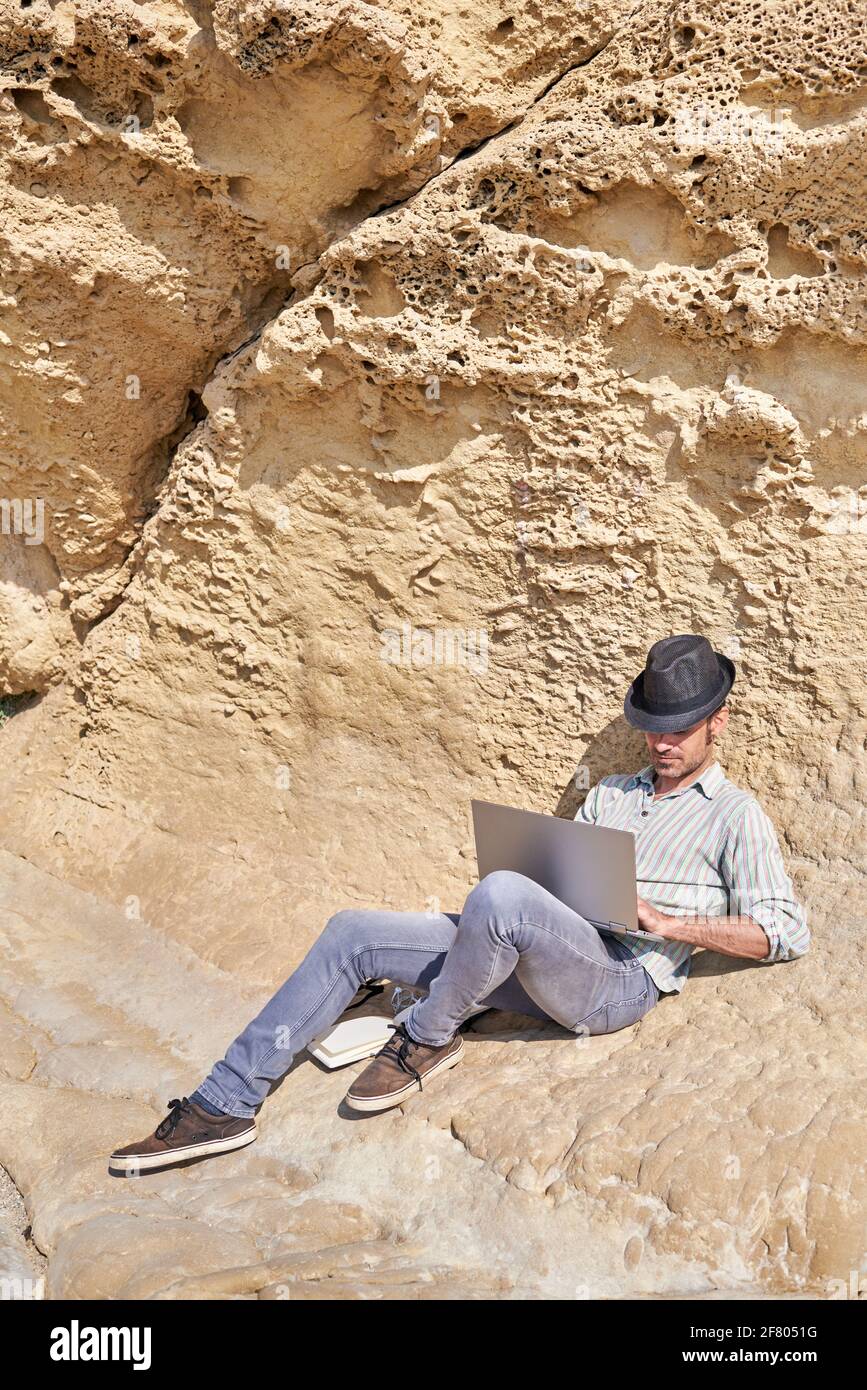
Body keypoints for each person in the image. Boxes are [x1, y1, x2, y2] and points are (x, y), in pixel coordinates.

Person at [110, 633, 809, 1173]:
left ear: (718, 722)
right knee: (353, 931)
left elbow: (782, 931)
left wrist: (666, 922)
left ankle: (428, 1035)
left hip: (617, 982)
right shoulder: (611, 794)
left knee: (501, 895)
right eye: (653, 725)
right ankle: (222, 1107)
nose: (661, 741)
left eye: (678, 728)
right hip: (549, 947)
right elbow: (556, 890)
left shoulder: (732, 815)